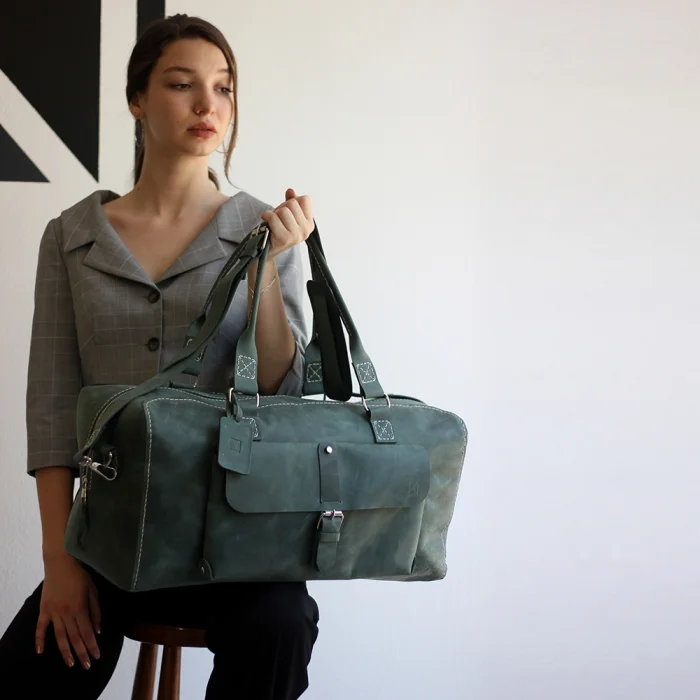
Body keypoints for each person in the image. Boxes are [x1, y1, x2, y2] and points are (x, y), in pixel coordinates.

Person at [0, 13, 320, 700]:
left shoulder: (267, 229)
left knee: (281, 624)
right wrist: (59, 562)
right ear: (137, 100)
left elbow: (284, 394)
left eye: (223, 87)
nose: (209, 105)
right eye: (182, 85)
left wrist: (267, 268)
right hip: (109, 539)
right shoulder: (71, 237)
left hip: (237, 536)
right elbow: (52, 405)